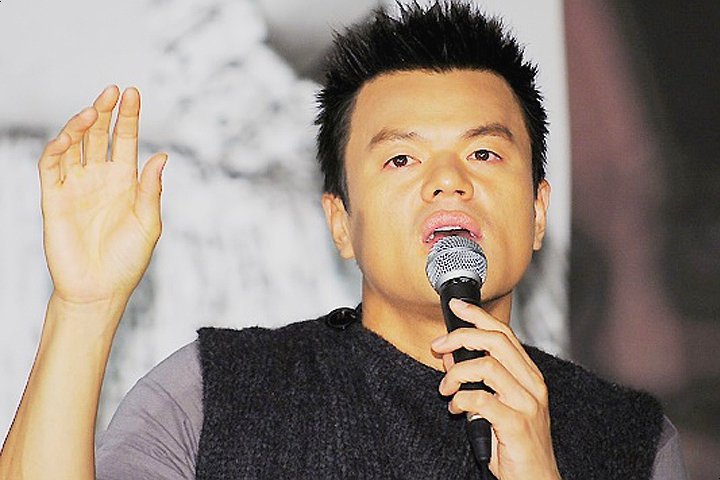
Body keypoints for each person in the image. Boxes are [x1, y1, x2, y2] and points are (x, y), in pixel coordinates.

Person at [0, 2, 687, 479]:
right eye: (401, 158)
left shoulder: (630, 439)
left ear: (538, 213)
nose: (448, 182)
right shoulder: (214, 391)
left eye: (483, 154)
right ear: (340, 224)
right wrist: (84, 306)